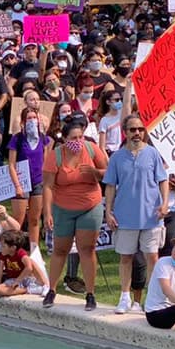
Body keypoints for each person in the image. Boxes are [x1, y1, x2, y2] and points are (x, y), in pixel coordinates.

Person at [104, 114, 169, 315]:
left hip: (151, 216)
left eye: (141, 129)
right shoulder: (116, 157)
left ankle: (152, 298)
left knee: (152, 257)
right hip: (125, 216)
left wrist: (165, 203)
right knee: (126, 257)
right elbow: (110, 186)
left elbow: (163, 180)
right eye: (133, 130)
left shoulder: (152, 154)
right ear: (126, 132)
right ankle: (124, 296)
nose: (137, 133)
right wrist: (108, 211)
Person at [42, 115, 107, 310]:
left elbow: (107, 172)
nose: (77, 142)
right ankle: (51, 290)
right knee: (60, 249)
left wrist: (94, 173)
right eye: (73, 138)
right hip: (63, 208)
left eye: (80, 137)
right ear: (64, 139)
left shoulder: (91, 149)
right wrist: (47, 213)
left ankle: (90, 293)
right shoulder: (56, 155)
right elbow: (47, 186)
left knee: (86, 250)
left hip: (90, 206)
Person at [7, 106, 51, 249]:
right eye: (29, 118)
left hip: (38, 182)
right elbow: (11, 164)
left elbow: (45, 162)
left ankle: (34, 250)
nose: (32, 121)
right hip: (22, 182)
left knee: (34, 219)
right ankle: (13, 250)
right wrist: (17, 185)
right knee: (18, 220)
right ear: (23, 122)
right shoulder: (17, 139)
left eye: (34, 118)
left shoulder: (43, 139)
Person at [0, 229, 49, 298]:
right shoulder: (3, 254)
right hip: (12, 280)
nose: (0, 248)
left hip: (27, 278)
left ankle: (45, 285)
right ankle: (27, 290)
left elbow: (29, 268)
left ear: (13, 248)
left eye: (3, 246)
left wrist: (18, 280)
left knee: (30, 261)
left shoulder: (20, 253)